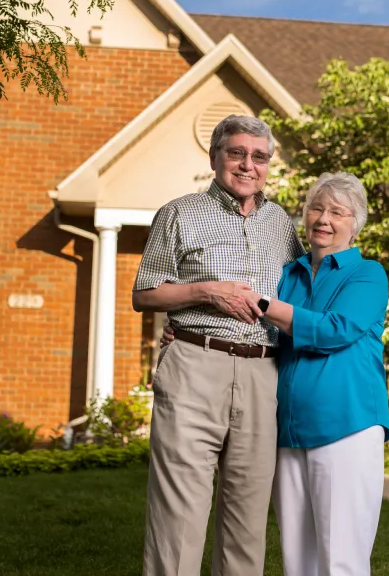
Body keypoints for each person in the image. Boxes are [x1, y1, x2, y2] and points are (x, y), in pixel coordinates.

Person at [163, 171, 389, 576]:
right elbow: (253, 325)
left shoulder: (367, 274)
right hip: (287, 429)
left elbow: (333, 329)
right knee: (297, 558)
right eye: (316, 208)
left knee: (341, 559)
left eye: (337, 212)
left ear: (355, 223)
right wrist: (186, 325)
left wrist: (263, 303)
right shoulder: (290, 274)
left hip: (347, 425)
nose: (324, 219)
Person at [132, 114, 305, 576]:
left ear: (269, 164)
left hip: (262, 374)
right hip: (195, 364)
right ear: (215, 158)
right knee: (179, 516)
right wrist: (206, 291)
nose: (248, 165)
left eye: (259, 156)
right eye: (237, 153)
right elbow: (144, 293)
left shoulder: (282, 225)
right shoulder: (178, 214)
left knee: (247, 520)